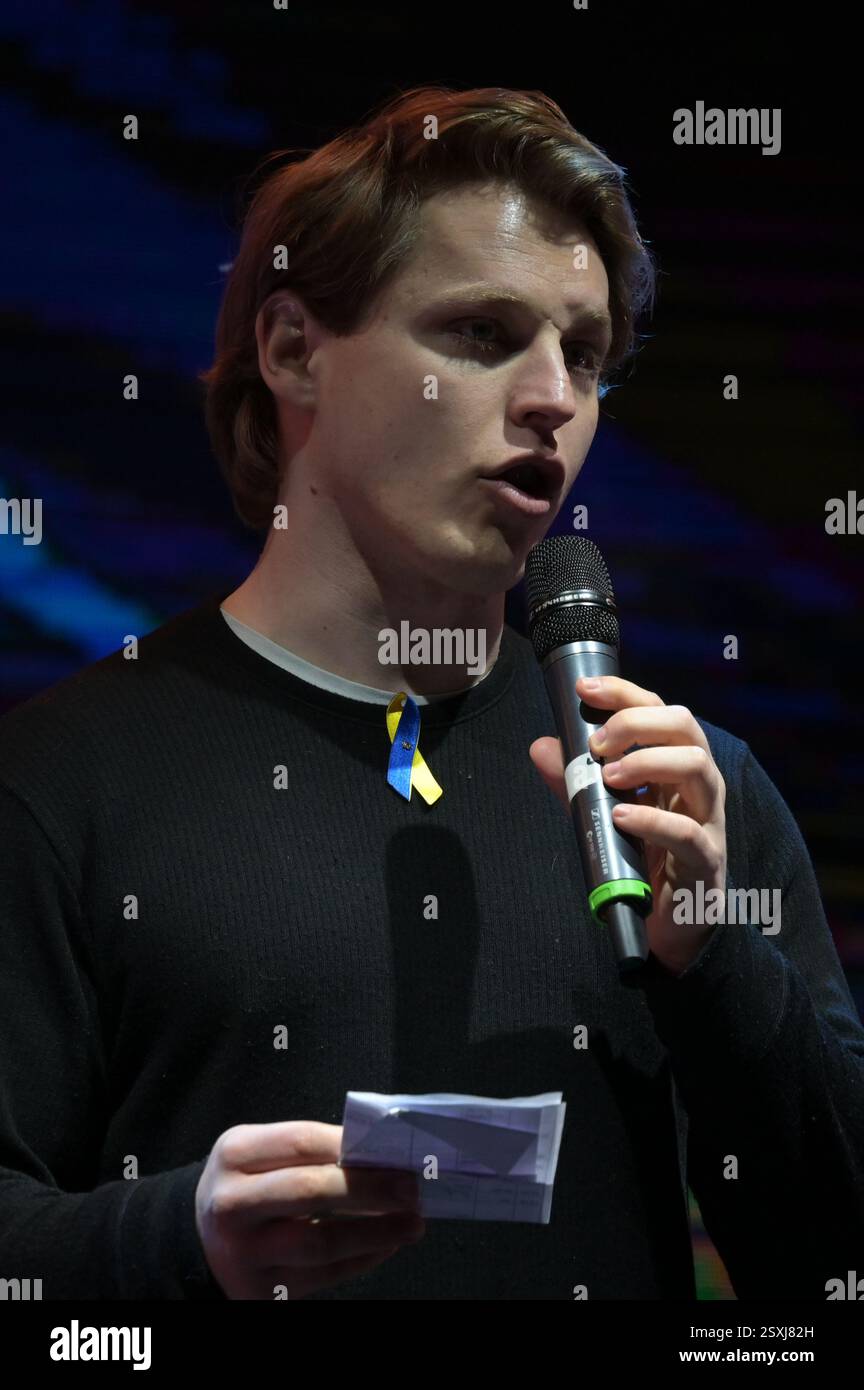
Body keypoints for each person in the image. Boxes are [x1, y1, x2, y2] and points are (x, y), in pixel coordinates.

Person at [1, 85, 862, 1302]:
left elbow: (837, 1277)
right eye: (481, 334)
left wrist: (715, 965)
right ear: (294, 349)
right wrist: (175, 1240)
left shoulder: (676, 802)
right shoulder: (61, 784)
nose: (553, 398)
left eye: (586, 352)